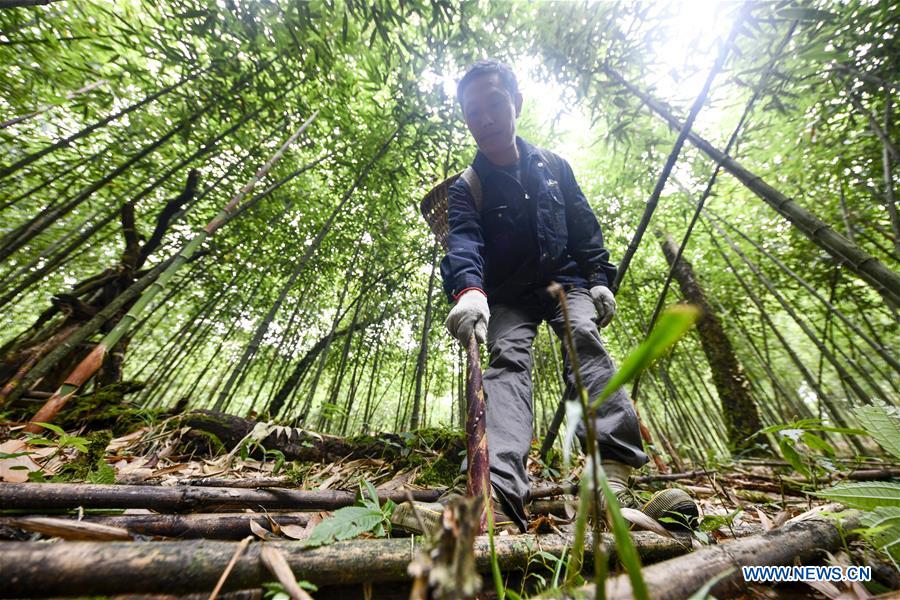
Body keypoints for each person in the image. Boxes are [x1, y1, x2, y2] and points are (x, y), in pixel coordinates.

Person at [439, 59, 649, 533]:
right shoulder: (465, 188)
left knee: (582, 337)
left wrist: (599, 278)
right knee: (508, 359)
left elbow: (584, 228)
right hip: (506, 295)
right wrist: (470, 292)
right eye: (473, 112)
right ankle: (500, 492)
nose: (486, 119)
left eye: (494, 104)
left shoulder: (554, 168)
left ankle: (612, 476)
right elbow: (464, 243)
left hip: (565, 283)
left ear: (515, 102)